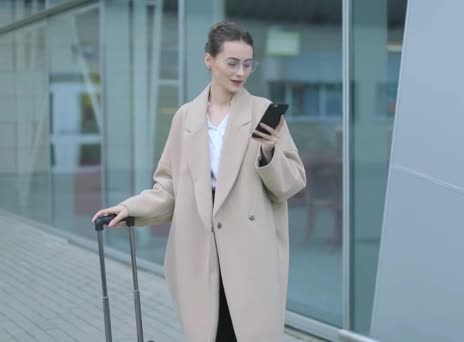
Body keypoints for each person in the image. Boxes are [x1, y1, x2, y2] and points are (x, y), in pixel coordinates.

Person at [91, 20, 306, 342]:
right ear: (209, 60)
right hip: (200, 250)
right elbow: (169, 187)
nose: (241, 72)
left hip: (249, 252)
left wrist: (269, 153)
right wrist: (129, 208)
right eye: (231, 63)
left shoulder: (263, 113)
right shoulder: (186, 117)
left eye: (248, 64)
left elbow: (292, 184)